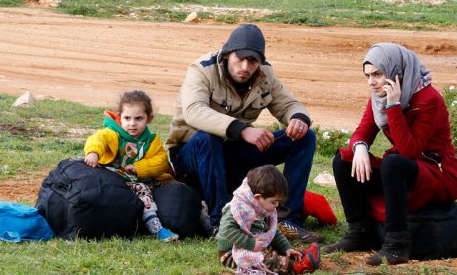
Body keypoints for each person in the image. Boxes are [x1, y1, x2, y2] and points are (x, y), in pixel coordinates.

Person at [166, 24, 321, 242]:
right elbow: (194, 112)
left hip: (232, 152)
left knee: (304, 137)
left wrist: (298, 118)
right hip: (191, 155)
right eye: (240, 59)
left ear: (260, 61)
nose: (245, 67)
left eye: (253, 61)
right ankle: (220, 223)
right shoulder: (202, 69)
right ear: (228, 54)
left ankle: (288, 220)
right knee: (208, 137)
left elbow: (288, 104)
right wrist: (243, 130)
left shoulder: (264, 73)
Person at [323, 43, 457, 265]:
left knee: (394, 162)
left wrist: (394, 106)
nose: (371, 82)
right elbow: (363, 131)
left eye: (378, 74)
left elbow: (410, 150)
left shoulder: (429, 99)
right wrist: (360, 147)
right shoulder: (379, 96)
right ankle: (361, 232)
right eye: (368, 75)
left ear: (395, 72)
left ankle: (397, 244)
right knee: (343, 161)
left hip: (439, 174)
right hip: (406, 171)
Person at [84, 90, 179, 242]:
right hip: (121, 180)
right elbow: (98, 139)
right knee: (143, 192)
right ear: (120, 116)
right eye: (127, 118)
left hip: (146, 177)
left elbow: (161, 161)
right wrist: (93, 152)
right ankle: (156, 228)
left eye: (139, 118)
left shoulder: (151, 140)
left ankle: (206, 222)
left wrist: (138, 168)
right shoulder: (113, 133)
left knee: (178, 188)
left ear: (149, 119)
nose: (132, 123)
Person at [216, 165, 320, 274]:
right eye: (274, 202)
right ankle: (296, 266)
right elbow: (226, 230)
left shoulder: (261, 207)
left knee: (272, 251)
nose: (277, 205)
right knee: (262, 259)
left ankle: (296, 256)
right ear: (257, 197)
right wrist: (249, 243)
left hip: (255, 246)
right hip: (233, 253)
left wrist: (286, 247)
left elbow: (273, 231)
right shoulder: (237, 208)